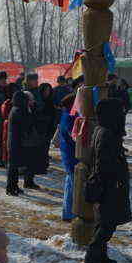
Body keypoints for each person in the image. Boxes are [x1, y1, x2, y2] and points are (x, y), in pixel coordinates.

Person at [84, 98, 131, 263]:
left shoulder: (104, 130)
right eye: (120, 112)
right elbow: (102, 164)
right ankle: (92, 256)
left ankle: (100, 256)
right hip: (108, 185)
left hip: (108, 183)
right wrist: (109, 184)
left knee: (104, 222)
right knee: (107, 224)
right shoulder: (106, 133)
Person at [6, 91, 43, 195]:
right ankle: (10, 188)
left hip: (17, 141)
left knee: (16, 166)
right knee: (13, 167)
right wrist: (30, 113)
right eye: (28, 100)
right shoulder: (18, 110)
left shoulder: (18, 109)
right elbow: (27, 123)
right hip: (15, 142)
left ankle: (15, 186)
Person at [59, 93, 78, 221]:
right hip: (71, 155)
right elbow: (74, 136)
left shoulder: (68, 116)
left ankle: (67, 212)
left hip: (69, 154)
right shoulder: (68, 117)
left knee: (70, 183)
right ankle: (68, 213)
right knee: (72, 185)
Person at [35, 82, 57, 174]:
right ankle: (39, 167)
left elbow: (53, 114)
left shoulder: (50, 101)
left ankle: (44, 166)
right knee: (40, 149)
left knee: (45, 148)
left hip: (49, 129)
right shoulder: (38, 101)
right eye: (45, 90)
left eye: (48, 90)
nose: (47, 92)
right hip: (40, 129)